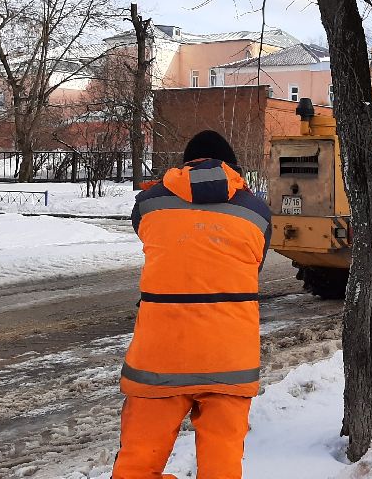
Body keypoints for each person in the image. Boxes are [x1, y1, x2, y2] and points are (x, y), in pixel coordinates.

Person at [113, 130, 271, 479]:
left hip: (159, 358)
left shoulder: (149, 203)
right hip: (230, 360)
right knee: (221, 469)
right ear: (232, 167)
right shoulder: (257, 211)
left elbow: (151, 237)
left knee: (136, 466)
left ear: (185, 164)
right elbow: (252, 265)